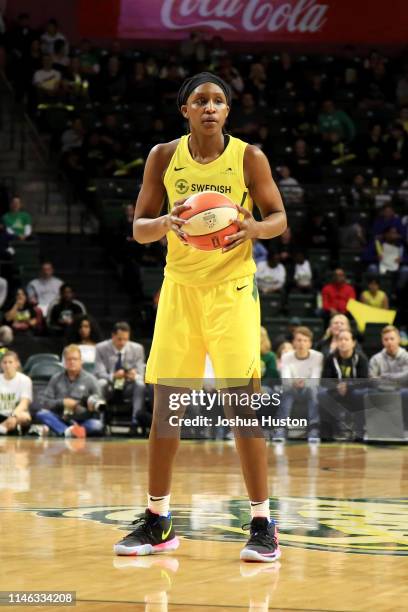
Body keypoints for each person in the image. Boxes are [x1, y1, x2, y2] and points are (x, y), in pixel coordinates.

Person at [113, 72, 287, 563]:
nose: (209, 107)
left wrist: (252, 225)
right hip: (180, 291)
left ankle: (261, 523)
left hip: (231, 292)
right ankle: (158, 521)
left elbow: (279, 217)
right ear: (184, 110)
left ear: (227, 112)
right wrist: (167, 222)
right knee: (166, 409)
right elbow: (140, 229)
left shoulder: (249, 157)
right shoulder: (163, 157)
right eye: (200, 100)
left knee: (242, 408)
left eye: (218, 101)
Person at [35, 344, 104, 438]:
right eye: (69, 359)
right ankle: (68, 431)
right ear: (64, 362)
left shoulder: (91, 380)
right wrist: (62, 402)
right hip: (61, 417)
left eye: (75, 359)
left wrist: (86, 407)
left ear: (81, 361)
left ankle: (62, 431)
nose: (72, 362)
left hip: (83, 420)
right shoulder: (56, 378)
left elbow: (99, 404)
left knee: (96, 425)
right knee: (42, 414)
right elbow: (46, 402)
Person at [273, 327, 323, 443]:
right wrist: (293, 383)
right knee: (286, 389)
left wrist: (304, 382)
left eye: (305, 340)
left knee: (313, 388)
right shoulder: (286, 357)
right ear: (294, 342)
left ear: (310, 343)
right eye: (299, 340)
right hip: (292, 389)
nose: (302, 343)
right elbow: (285, 379)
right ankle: (280, 428)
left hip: (309, 389)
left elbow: (315, 379)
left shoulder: (317, 356)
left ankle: (313, 429)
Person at [94, 322, 146, 431]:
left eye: (125, 339)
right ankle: (100, 421)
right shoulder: (100, 348)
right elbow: (99, 373)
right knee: (100, 383)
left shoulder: (137, 349)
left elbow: (141, 373)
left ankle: (135, 421)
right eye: (119, 339)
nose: (122, 342)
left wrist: (134, 375)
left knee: (140, 384)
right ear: (112, 336)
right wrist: (113, 376)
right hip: (110, 385)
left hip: (128, 386)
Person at [320, 329, 369, 440]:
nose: (343, 342)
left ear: (353, 343)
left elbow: (364, 380)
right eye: (340, 339)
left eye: (346, 339)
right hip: (336, 390)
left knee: (360, 393)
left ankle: (358, 431)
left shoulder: (361, 359)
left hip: (354, 391)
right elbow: (324, 380)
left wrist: (348, 385)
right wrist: (337, 386)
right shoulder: (331, 358)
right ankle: (329, 432)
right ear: (336, 342)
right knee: (322, 394)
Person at [0, 351, 32, 435]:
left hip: (16, 415)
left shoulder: (25, 380)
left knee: (25, 416)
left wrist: (13, 416)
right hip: (1, 413)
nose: (7, 365)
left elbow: (24, 403)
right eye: (4, 362)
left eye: (10, 362)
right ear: (1, 365)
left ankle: (2, 428)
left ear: (17, 364)